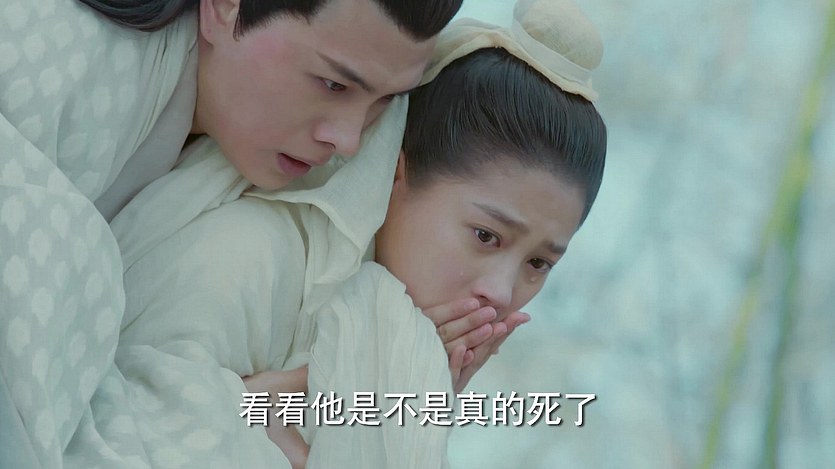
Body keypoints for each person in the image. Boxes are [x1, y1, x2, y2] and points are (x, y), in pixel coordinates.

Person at [72, 0, 606, 467]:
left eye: (539, 264)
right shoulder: (245, 256)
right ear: (398, 173)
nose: (501, 291)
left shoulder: (388, 346)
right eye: (486, 236)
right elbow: (111, 437)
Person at [0, 1, 461, 467]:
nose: (349, 139)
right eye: (333, 84)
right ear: (223, 8)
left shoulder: (244, 155)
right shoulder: (54, 52)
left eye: (385, 101)